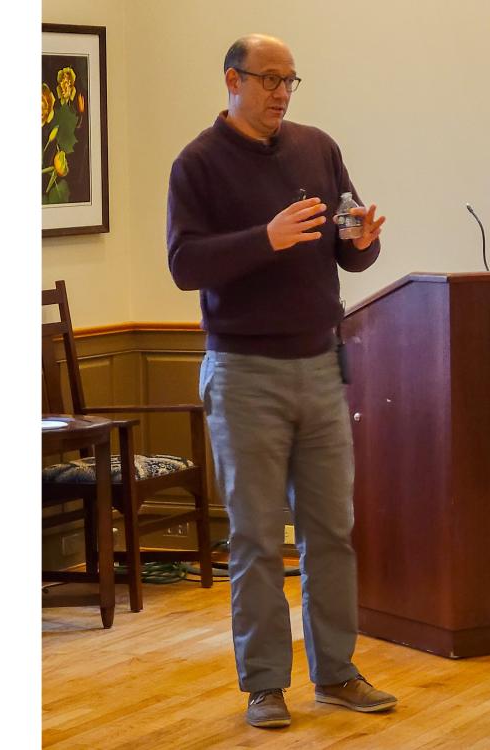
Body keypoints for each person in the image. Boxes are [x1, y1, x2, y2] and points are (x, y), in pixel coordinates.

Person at [166, 33, 397, 729]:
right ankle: (265, 685)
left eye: (290, 80)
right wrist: (262, 238)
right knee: (257, 538)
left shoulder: (317, 148)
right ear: (231, 81)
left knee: (332, 532)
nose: (280, 93)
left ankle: (336, 673)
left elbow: (347, 247)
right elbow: (184, 265)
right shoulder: (197, 164)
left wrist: (363, 241)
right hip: (244, 375)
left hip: (321, 367)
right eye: (268, 79)